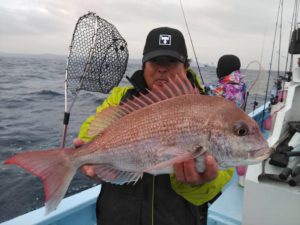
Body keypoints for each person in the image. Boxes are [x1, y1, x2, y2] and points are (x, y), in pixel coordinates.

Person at [74, 27, 234, 225]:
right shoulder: (120, 99)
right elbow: (90, 134)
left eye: (172, 61)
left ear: (185, 67)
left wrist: (198, 183)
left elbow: (218, 179)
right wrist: (85, 159)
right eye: (155, 61)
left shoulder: (207, 108)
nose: (162, 69)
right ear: (144, 65)